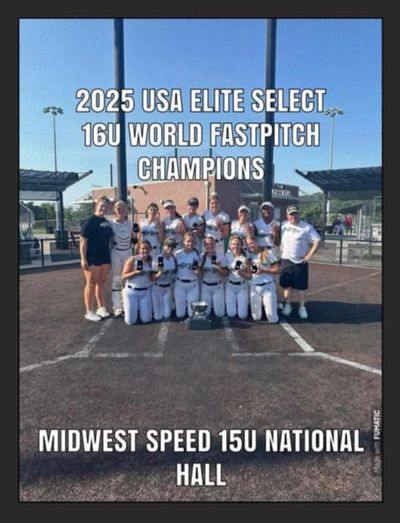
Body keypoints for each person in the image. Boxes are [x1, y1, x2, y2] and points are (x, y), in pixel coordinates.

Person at [280, 204, 321, 320]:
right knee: (287, 286)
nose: (294, 216)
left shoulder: (307, 227)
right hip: (286, 260)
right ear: (287, 215)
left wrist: (309, 255)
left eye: (295, 214)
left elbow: (317, 240)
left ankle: (302, 307)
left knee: (301, 288)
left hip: (300, 262)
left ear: (299, 214)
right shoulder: (283, 225)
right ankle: (287, 306)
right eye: (291, 214)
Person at [79, 196, 114, 322]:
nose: (103, 208)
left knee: (102, 282)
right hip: (92, 256)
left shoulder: (106, 222)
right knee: (91, 282)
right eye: (102, 206)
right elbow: (83, 241)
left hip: (105, 256)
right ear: (96, 206)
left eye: (106, 206)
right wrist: (83, 259)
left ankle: (101, 308)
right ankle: (89, 311)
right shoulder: (89, 221)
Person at [246, 236, 280, 324]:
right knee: (256, 318)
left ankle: (271, 303)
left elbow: (278, 270)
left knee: (272, 319)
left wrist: (264, 270)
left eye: (252, 243)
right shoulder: (248, 255)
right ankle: (265, 305)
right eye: (248, 244)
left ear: (257, 242)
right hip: (254, 287)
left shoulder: (268, 252)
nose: (250, 246)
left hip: (267, 286)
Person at [121, 240, 156, 325]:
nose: (145, 250)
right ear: (139, 249)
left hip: (145, 292)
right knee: (130, 321)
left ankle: (139, 310)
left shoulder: (152, 261)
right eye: (143, 248)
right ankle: (130, 308)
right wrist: (135, 272)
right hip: (131, 292)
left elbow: (152, 278)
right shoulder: (133, 259)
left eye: (147, 248)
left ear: (150, 249)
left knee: (146, 320)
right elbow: (124, 276)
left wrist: (160, 272)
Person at [110, 200, 133, 317]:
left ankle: (125, 304)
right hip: (116, 252)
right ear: (114, 210)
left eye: (123, 209)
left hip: (127, 252)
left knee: (126, 279)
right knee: (116, 280)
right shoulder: (111, 224)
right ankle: (117, 307)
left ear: (126, 211)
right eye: (118, 209)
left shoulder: (131, 224)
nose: (121, 211)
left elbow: (135, 238)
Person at [199, 234, 228, 318]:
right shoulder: (201, 257)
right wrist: (197, 270)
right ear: (204, 245)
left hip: (217, 286)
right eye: (207, 244)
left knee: (219, 314)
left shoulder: (220, 256)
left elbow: (226, 273)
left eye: (212, 244)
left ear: (215, 244)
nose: (210, 246)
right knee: (205, 313)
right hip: (205, 286)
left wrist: (218, 268)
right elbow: (200, 275)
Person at [174, 232, 201, 319]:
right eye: (188, 241)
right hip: (179, 285)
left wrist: (197, 270)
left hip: (193, 285)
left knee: (191, 315)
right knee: (180, 314)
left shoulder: (197, 255)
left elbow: (200, 274)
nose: (190, 243)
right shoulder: (177, 254)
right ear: (183, 241)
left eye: (192, 241)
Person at [225, 235, 251, 320]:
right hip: (230, 286)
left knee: (242, 315)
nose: (235, 246)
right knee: (231, 314)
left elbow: (249, 276)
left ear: (241, 245)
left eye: (238, 244)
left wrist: (242, 274)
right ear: (230, 245)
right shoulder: (227, 256)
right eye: (233, 244)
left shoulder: (245, 258)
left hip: (242, 286)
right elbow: (224, 271)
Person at [151, 238, 177, 321]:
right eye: (168, 246)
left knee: (167, 315)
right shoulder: (157, 258)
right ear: (163, 246)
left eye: (172, 246)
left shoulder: (174, 259)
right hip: (157, 288)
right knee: (158, 317)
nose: (170, 248)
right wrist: (160, 272)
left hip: (168, 288)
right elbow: (153, 278)